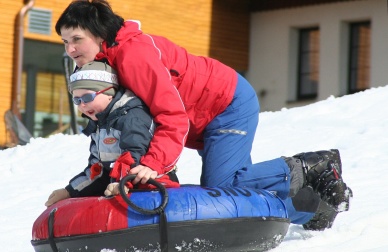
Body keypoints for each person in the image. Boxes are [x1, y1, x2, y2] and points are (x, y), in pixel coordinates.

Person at [53, 0, 352, 230]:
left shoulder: (133, 57)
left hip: (226, 102)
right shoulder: (101, 65)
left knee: (222, 189)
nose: (70, 49)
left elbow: (172, 116)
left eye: (76, 39)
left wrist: (153, 165)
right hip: (206, 113)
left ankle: (311, 166)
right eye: (65, 42)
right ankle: (314, 209)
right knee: (237, 191)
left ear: (98, 32)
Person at [45, 61, 178, 206]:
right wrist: (70, 191)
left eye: (87, 97)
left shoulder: (132, 117)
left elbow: (135, 157)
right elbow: (97, 170)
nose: (82, 105)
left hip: (152, 189)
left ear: (109, 92)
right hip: (119, 187)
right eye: (77, 100)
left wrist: (122, 183)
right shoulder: (99, 124)